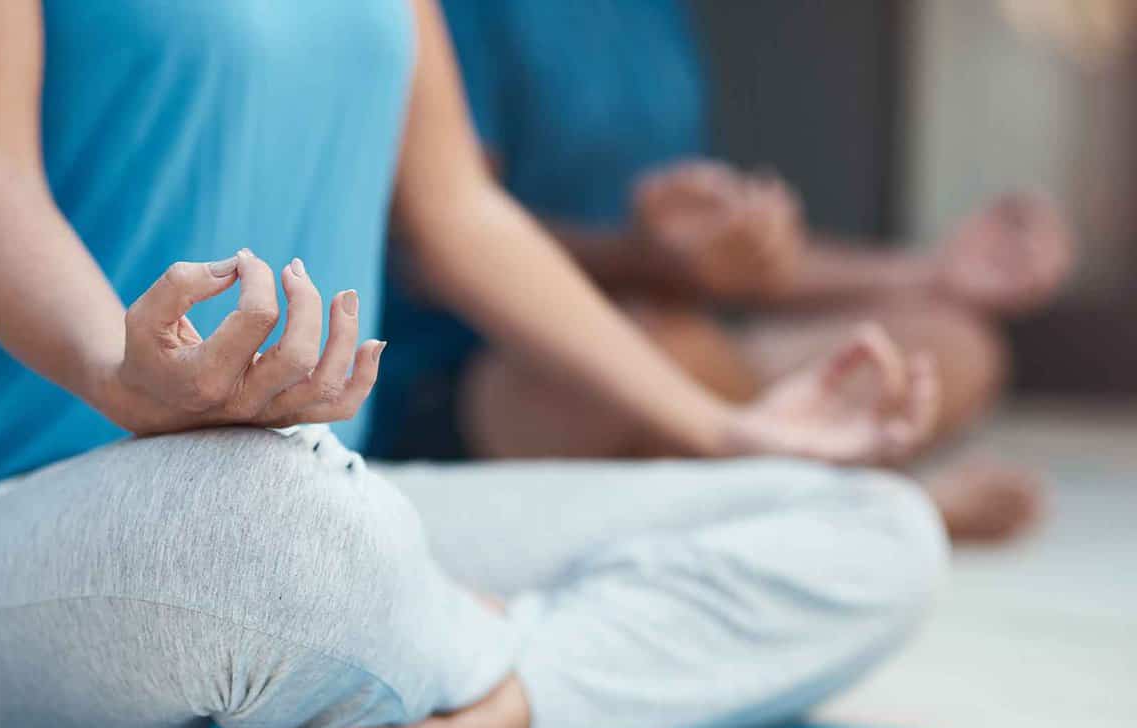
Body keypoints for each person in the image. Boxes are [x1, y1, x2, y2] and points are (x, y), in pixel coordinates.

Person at [0, 0, 945, 728]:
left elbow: (462, 216)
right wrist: (120, 372)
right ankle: (448, 630)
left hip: (326, 505)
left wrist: (721, 429)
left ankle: (481, 707)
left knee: (872, 524)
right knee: (264, 524)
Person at [373, 0, 1075, 543]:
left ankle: (783, 485)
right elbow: (444, 232)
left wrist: (930, 272)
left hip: (679, 342)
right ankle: (855, 507)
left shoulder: (653, 16)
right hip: (494, 370)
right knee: (664, 352)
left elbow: (702, 269)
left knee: (950, 344)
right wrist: (642, 257)